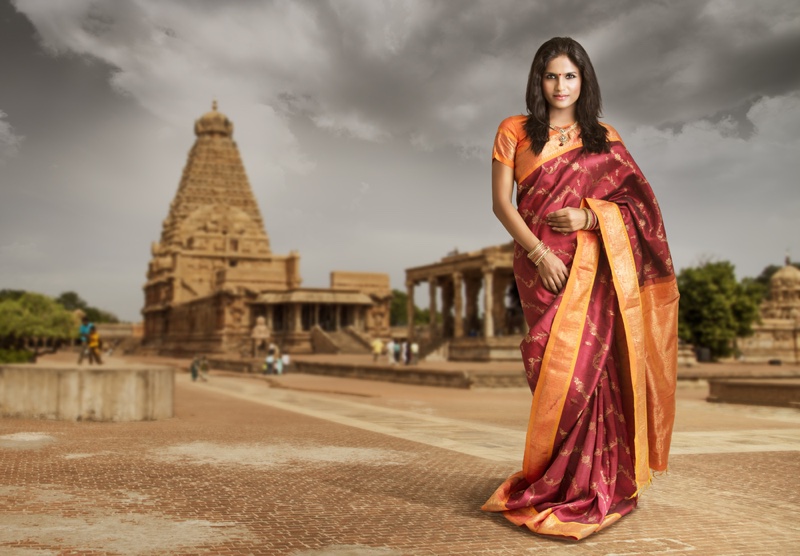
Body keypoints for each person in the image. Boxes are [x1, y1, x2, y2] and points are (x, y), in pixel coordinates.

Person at [481, 37, 679, 540]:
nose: (561, 85)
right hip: (540, 265)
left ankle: (595, 484)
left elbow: (641, 209)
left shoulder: (604, 137)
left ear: (584, 80)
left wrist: (591, 214)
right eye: (552, 76)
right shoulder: (515, 131)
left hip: (593, 264)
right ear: (538, 80)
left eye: (570, 76)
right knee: (555, 370)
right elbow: (502, 204)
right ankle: (556, 479)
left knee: (596, 373)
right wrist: (539, 253)